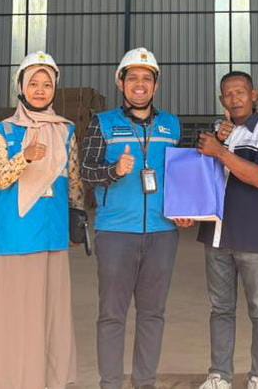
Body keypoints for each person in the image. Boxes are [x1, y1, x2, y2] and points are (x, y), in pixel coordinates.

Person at [81, 47, 193, 389]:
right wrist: (114, 171)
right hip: (115, 232)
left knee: (153, 313)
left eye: (147, 78)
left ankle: (145, 382)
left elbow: (181, 175)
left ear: (156, 85)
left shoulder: (171, 125)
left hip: (162, 233)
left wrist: (184, 210)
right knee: (112, 314)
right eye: (133, 78)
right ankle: (111, 383)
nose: (140, 84)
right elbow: (86, 171)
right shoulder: (102, 124)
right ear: (121, 83)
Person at [0, 50, 82, 389]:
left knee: (52, 308)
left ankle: (51, 379)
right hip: (18, 232)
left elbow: (74, 179)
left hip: (53, 231)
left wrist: (77, 218)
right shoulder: (4, 131)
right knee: (18, 308)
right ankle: (14, 380)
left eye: (47, 84)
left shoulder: (66, 130)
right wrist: (23, 157)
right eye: (33, 83)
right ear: (21, 88)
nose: (40, 90)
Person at [195, 71, 258, 389]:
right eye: (228, 94)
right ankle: (219, 374)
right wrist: (216, 142)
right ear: (222, 100)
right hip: (217, 235)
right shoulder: (216, 134)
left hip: (253, 236)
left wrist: (220, 152)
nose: (235, 99)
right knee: (220, 308)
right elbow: (195, 175)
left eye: (241, 92)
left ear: (253, 95)